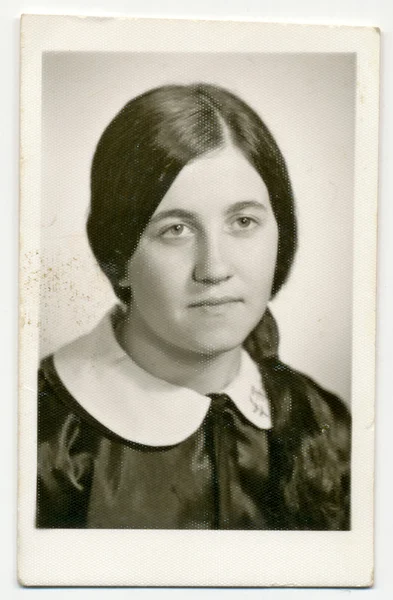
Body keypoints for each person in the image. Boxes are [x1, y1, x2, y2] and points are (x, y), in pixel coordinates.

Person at [36, 83, 351, 530]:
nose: (214, 268)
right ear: (117, 256)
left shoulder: (324, 421)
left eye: (243, 222)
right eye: (176, 229)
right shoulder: (43, 440)